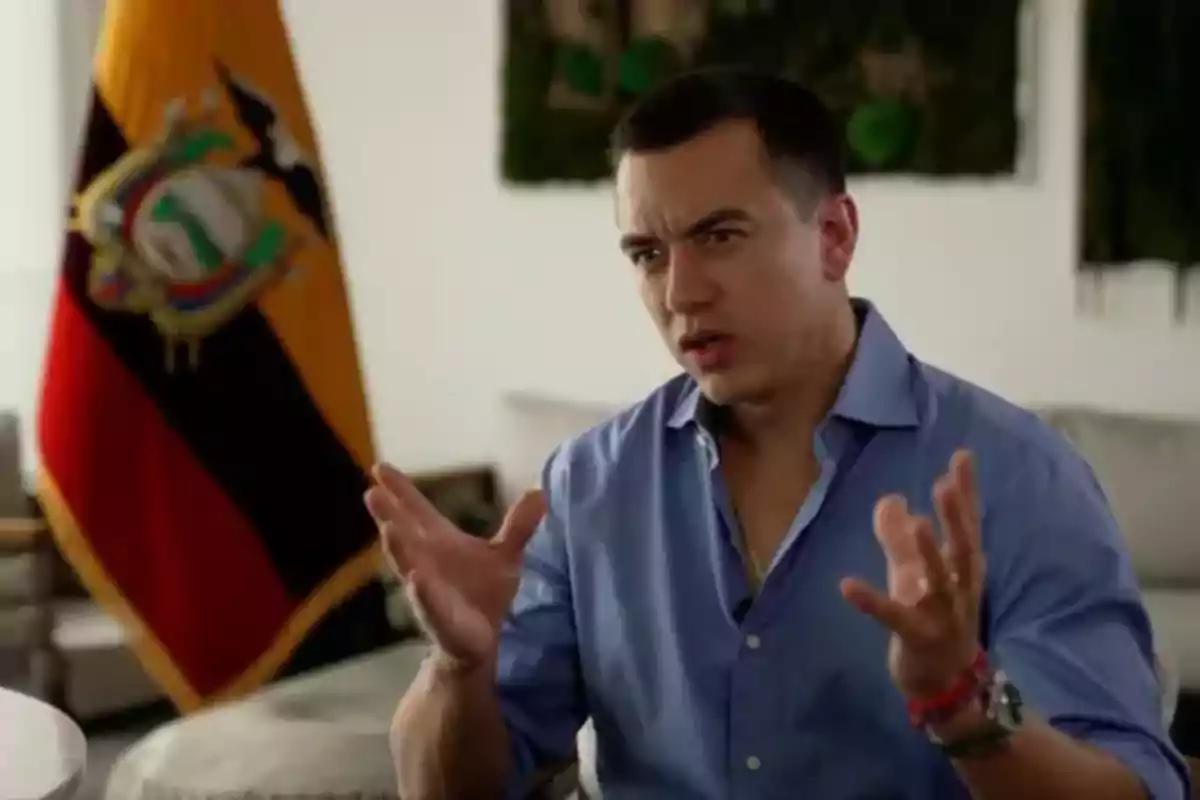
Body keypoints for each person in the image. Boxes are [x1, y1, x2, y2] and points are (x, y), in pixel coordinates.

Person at [365, 67, 1188, 799]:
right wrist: (460, 667)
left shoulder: (1018, 475)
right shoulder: (590, 483)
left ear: (834, 237)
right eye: (647, 253)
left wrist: (964, 708)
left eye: (719, 237)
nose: (680, 292)